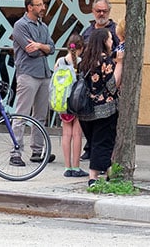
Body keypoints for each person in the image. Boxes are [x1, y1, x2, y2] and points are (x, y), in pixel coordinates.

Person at [11, 0, 55, 166]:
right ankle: (15, 152)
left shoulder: (43, 26)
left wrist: (40, 46)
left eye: (43, 4)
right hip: (28, 74)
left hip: (44, 74)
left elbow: (51, 48)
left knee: (40, 115)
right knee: (21, 115)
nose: (43, 7)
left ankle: (37, 151)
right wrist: (40, 48)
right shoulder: (20, 26)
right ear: (30, 7)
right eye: (39, 5)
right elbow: (32, 51)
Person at [76, 29, 122, 186]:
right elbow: (111, 86)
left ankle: (110, 173)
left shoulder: (84, 60)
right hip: (104, 109)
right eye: (109, 39)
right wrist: (120, 64)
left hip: (85, 110)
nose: (111, 42)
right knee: (102, 143)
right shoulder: (105, 61)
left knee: (96, 142)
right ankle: (93, 178)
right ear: (103, 41)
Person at [55, 33, 86, 177]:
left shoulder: (60, 61)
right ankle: (76, 167)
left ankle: (67, 167)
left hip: (63, 101)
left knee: (66, 134)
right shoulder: (82, 62)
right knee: (77, 134)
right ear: (81, 47)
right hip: (77, 102)